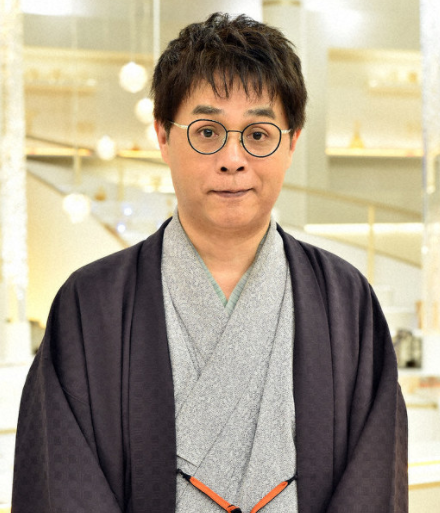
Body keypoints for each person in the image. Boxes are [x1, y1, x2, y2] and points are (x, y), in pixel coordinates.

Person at [12, 12, 408, 513]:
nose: (232, 159)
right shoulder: (91, 305)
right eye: (206, 132)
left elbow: (373, 481)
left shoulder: (346, 302)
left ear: (292, 142)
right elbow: (64, 484)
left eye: (258, 134)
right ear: (163, 136)